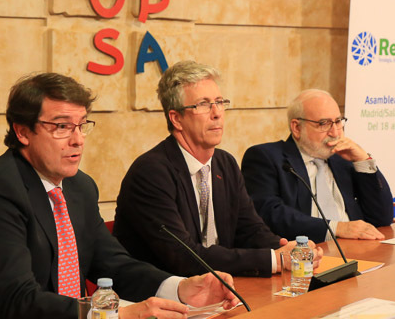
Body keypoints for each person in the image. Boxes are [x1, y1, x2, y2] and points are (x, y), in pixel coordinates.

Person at [0, 72, 239, 319]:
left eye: (81, 125)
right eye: (62, 127)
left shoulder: (79, 187)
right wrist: (114, 316)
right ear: (22, 132)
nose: (78, 140)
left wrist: (180, 288)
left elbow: (113, 264)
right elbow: (18, 299)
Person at [113, 61, 322, 278]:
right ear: (176, 119)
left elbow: (249, 229)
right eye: (203, 104)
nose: (217, 113)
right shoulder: (151, 173)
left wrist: (289, 250)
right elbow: (184, 257)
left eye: (219, 102)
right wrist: (273, 259)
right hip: (163, 292)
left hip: (221, 285)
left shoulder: (225, 163)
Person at [241, 89, 394, 243]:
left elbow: (382, 217)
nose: (335, 133)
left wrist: (363, 161)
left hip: (358, 247)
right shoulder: (266, 158)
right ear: (297, 128)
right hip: (307, 251)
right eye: (324, 124)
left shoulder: (343, 158)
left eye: (338, 122)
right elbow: (270, 214)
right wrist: (336, 228)